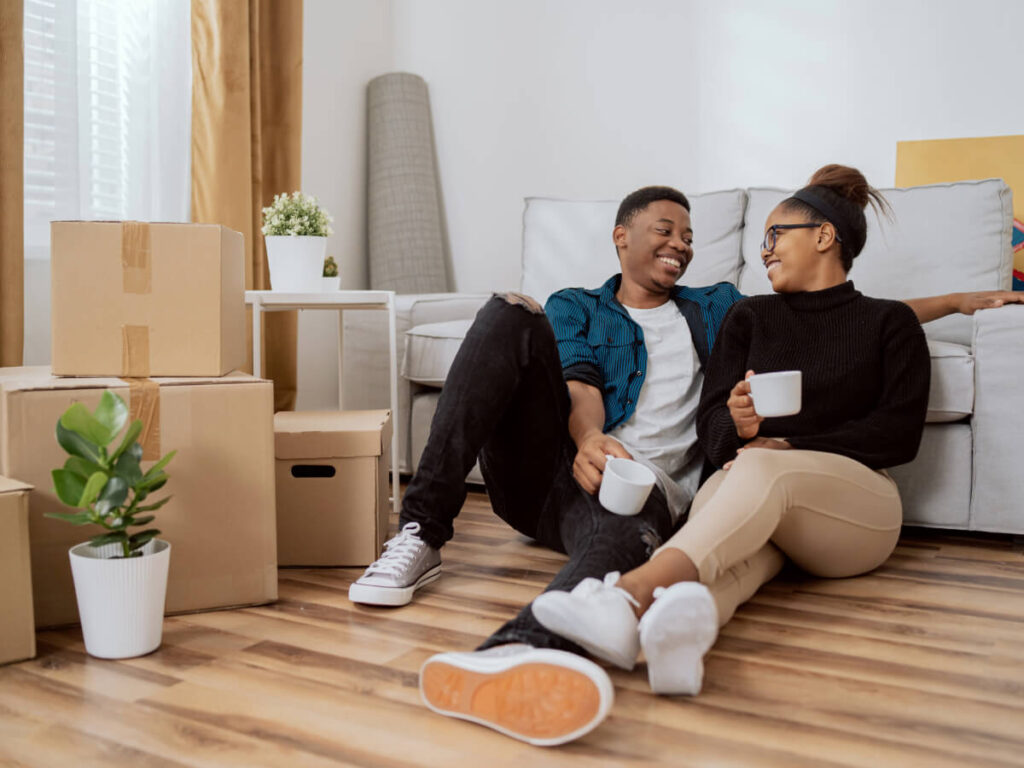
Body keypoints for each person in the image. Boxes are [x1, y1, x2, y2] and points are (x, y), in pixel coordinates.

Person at [348, 176, 1020, 747]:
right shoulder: (581, 306)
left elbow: (845, 318)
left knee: (635, 525)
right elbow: (583, 382)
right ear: (622, 236)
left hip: (647, 499)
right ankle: (419, 531)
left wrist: (960, 301)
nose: (682, 246)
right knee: (506, 312)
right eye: (666, 230)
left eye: (691, 237)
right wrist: (590, 439)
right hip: (563, 470)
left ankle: (522, 651)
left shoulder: (720, 308)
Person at [530, 165, 1020, 714]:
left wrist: (791, 449)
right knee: (731, 523)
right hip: (757, 495)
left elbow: (897, 435)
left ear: (823, 236)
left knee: (756, 469)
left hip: (854, 512)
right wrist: (736, 426)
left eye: (773, 236)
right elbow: (713, 430)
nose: (762, 252)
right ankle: (675, 642)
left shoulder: (889, 324)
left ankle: (627, 595)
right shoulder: (747, 318)